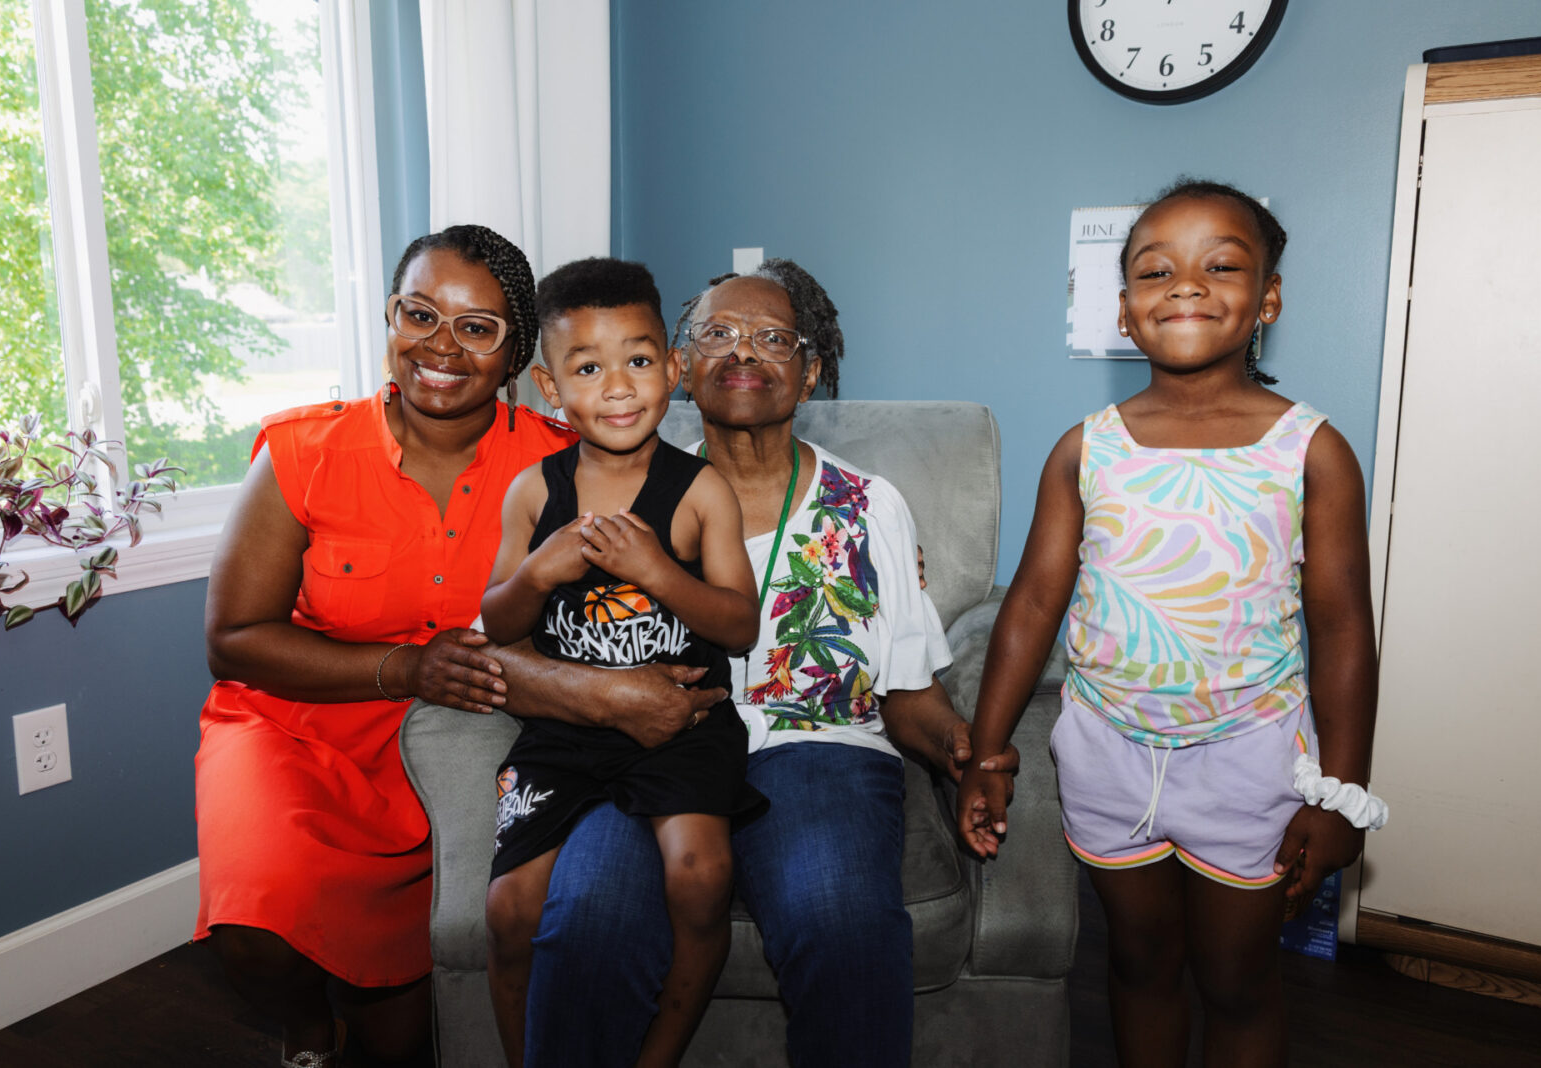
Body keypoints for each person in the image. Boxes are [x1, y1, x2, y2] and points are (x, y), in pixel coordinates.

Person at [481, 257, 1016, 1066]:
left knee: (838, 917)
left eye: (773, 338)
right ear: (683, 367)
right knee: (588, 918)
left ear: (811, 373)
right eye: (718, 334)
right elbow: (513, 640)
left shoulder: (869, 505)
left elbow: (907, 687)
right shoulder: (614, 493)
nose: (743, 352)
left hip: (820, 750)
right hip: (643, 748)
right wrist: (596, 702)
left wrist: (967, 753)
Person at [957, 180, 1386, 1065]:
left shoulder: (1311, 450)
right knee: (1140, 965)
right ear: (1124, 308)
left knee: (1236, 983)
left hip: (1247, 759)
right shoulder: (1087, 448)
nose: (1186, 284)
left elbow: (1343, 630)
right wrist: (988, 751)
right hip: (1107, 753)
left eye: (1221, 265)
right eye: (1156, 270)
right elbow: (1033, 604)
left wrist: (1341, 794)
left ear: (1268, 298)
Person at [196, 225, 575, 1067]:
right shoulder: (303, 452)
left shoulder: (559, 464)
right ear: (389, 319)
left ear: (514, 355)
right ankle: (302, 1024)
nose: (442, 346)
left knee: (395, 1042)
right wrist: (404, 666)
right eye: (420, 314)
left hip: (454, 742)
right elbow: (232, 640)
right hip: (292, 727)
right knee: (253, 928)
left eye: (478, 327)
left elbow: (673, 517)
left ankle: (371, 1007)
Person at [480, 258, 766, 1067]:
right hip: (562, 734)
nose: (617, 387)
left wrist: (658, 574)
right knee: (509, 908)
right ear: (548, 388)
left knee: (701, 875)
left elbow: (739, 625)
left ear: (673, 372)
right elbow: (496, 622)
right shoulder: (534, 492)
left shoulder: (701, 490)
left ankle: (657, 1056)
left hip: (687, 727)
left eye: (638, 360)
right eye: (588, 367)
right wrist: (537, 572)